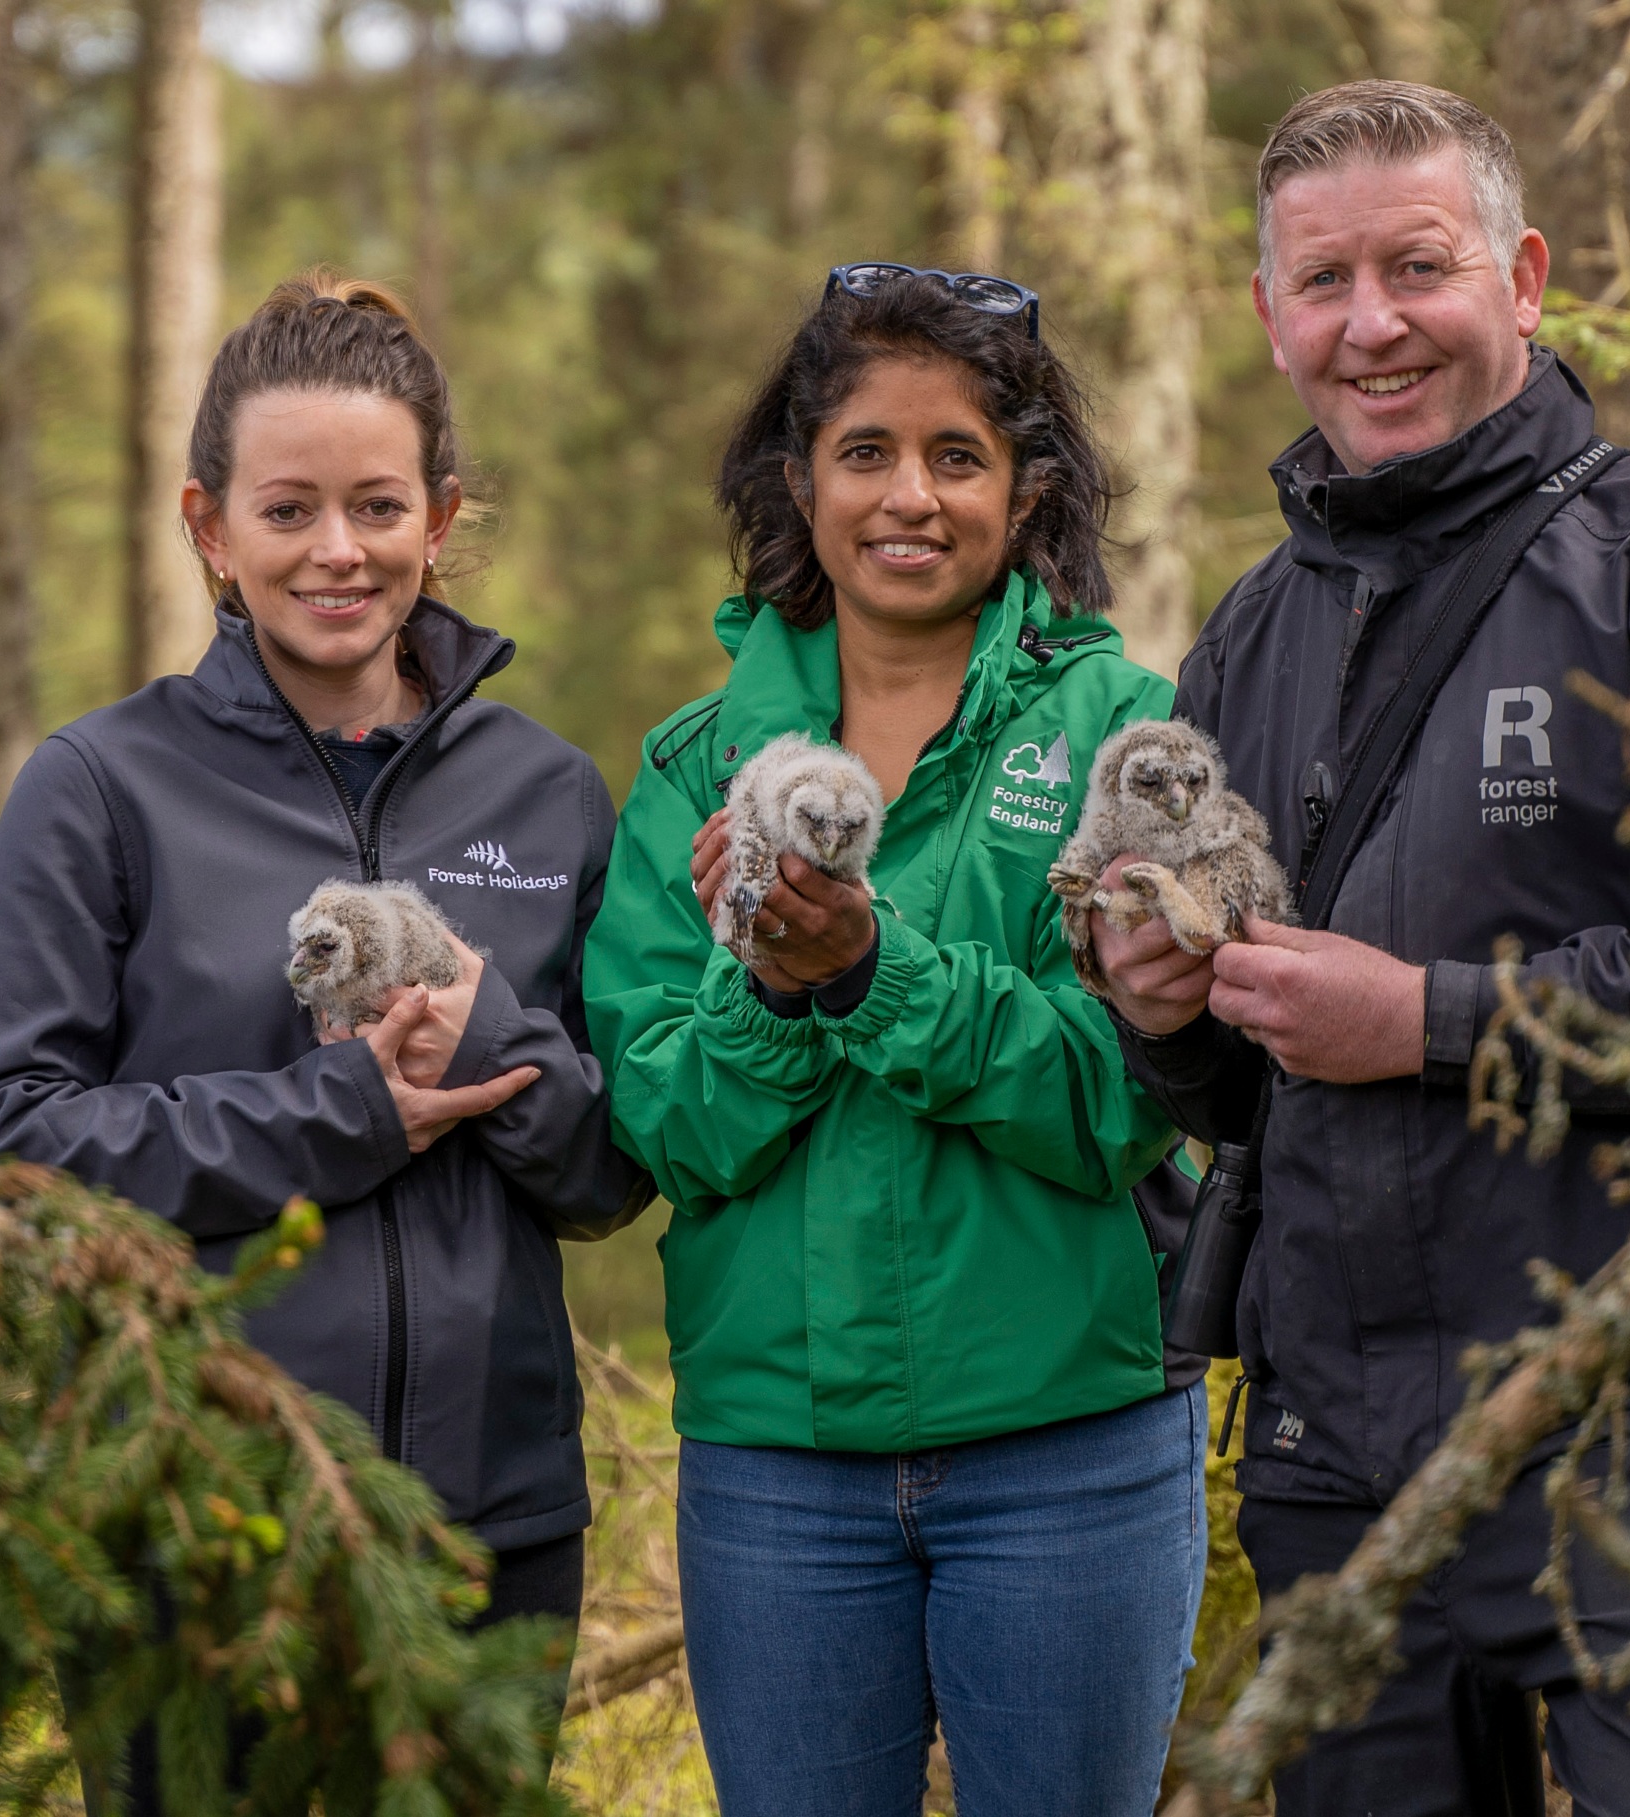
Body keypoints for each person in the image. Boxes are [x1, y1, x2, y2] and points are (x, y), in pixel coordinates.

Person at [1089, 83, 1630, 1816]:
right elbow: (1234, 1087)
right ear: (1268, 316)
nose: (1370, 323)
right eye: (1322, 282)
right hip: (1337, 1456)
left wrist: (1429, 1019)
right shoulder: (1245, 641)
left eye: (1419, 267)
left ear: (1522, 277)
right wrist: (1170, 1015)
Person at [0, 271, 649, 1808]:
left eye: (380, 505)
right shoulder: (99, 786)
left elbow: (609, 1168)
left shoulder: (549, 795)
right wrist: (346, 1112)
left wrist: (493, 1041)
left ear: (442, 515)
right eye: (288, 509)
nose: (339, 550)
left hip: (491, 1526)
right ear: (208, 526)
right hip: (187, 1514)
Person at [583, 265, 1206, 1817]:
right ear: (800, 480)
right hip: (776, 1465)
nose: (907, 496)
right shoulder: (695, 766)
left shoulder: (1122, 735)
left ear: (1026, 488)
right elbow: (667, 1123)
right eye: (864, 451)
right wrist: (782, 990)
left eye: (955, 456)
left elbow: (1127, 1101)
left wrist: (869, 971)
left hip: (1071, 1444)